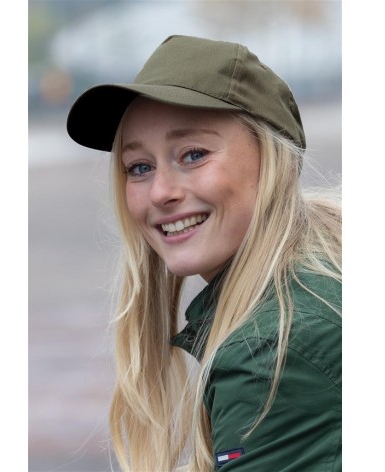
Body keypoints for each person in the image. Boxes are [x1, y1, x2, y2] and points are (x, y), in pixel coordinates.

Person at [67, 35, 341, 471]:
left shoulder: (275, 348)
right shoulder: (325, 270)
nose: (160, 192)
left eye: (193, 155)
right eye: (140, 167)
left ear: (274, 160)